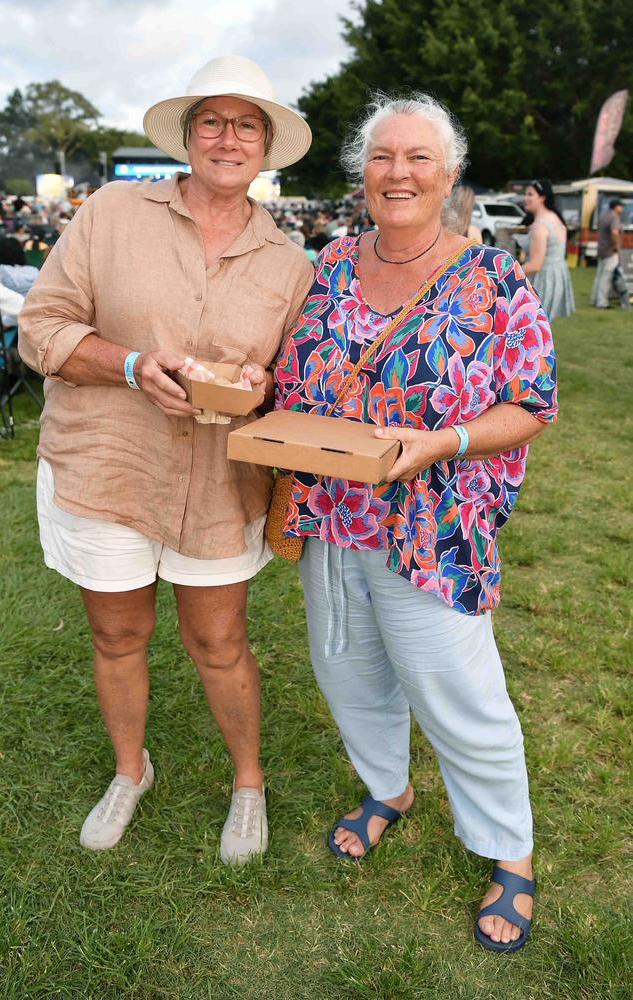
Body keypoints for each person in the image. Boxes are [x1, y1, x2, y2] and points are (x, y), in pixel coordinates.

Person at [274, 92, 557, 952]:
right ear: (362, 171)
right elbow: (287, 374)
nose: (398, 173)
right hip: (332, 512)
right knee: (347, 670)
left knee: (458, 693)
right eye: (382, 157)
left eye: (417, 158)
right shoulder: (324, 264)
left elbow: (532, 402)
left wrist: (444, 441)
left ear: (448, 174)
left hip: (432, 523)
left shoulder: (492, 276)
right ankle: (387, 787)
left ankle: (509, 852)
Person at [19, 55, 313, 864]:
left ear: (265, 144)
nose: (228, 137)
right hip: (107, 465)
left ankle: (247, 784)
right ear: (188, 137)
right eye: (211, 121)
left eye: (245, 123)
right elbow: (41, 327)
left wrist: (258, 387)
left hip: (218, 481)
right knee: (117, 633)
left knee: (219, 641)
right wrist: (129, 364)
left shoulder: (290, 265)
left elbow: (291, 386)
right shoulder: (112, 211)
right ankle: (129, 770)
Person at [521, 180, 574, 319]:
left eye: (530, 194)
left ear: (542, 197)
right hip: (556, 275)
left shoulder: (540, 226)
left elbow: (535, 264)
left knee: (532, 326)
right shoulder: (555, 218)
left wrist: (508, 273)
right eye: (525, 194)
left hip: (544, 279)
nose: (525, 198)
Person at [590, 198, 630, 310]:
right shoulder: (614, 217)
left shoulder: (604, 215)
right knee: (606, 277)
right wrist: (617, 247)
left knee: (599, 275)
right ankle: (601, 302)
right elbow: (614, 232)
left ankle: (594, 299)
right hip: (610, 250)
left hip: (601, 249)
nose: (622, 208)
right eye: (620, 206)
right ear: (616, 207)